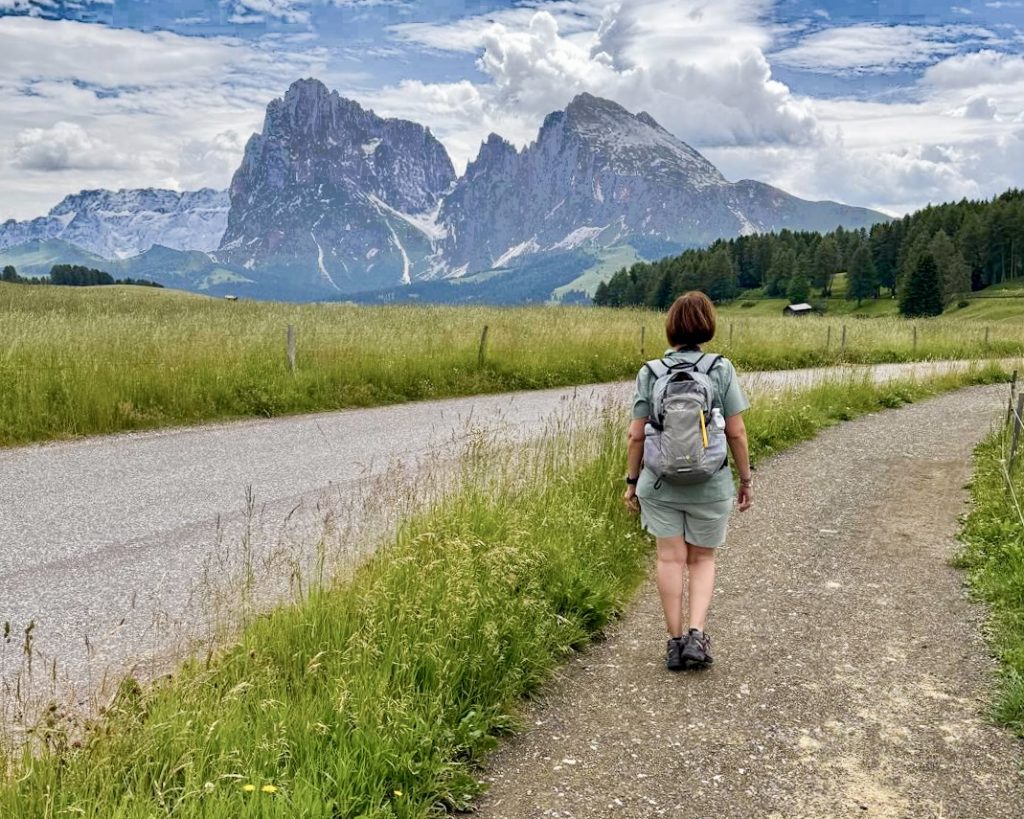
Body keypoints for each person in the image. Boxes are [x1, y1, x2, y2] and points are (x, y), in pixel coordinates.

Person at [624, 291, 753, 671]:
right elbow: (737, 431)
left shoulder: (650, 372)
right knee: (701, 559)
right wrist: (745, 479)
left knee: (669, 558)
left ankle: (675, 641)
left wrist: (632, 483)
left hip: (660, 483)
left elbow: (635, 435)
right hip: (711, 483)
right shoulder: (720, 369)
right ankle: (697, 635)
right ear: (707, 326)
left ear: (671, 328)